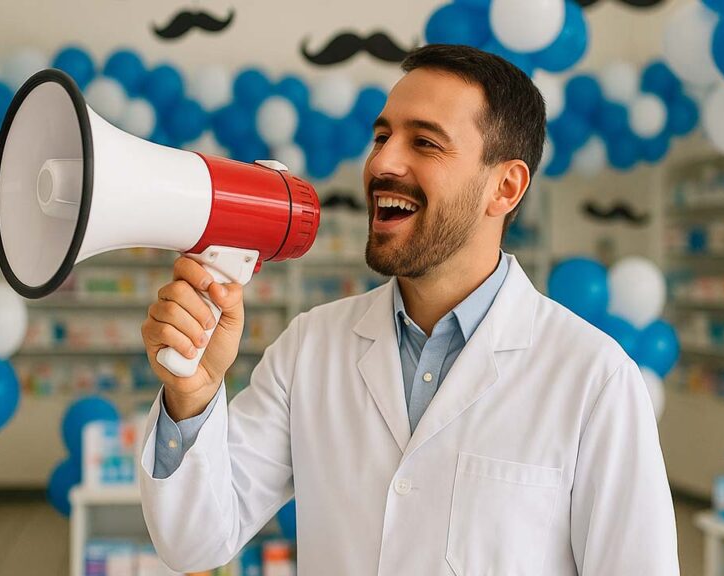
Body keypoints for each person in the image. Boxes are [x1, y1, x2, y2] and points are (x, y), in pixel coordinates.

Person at [138, 44, 679, 575]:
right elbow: (195, 542)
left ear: (506, 187)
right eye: (381, 136)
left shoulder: (594, 377)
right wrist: (194, 394)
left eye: (424, 142)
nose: (382, 162)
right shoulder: (311, 347)